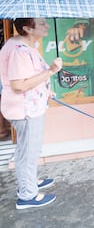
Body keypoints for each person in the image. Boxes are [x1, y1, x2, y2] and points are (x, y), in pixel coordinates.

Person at [0, 18, 63, 209]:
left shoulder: (21, 44)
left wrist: (45, 90)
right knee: (28, 152)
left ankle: (29, 183)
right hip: (26, 110)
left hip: (28, 106)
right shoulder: (19, 51)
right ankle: (28, 195)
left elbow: (29, 77)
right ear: (28, 28)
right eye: (42, 23)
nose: (47, 26)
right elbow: (19, 85)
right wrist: (51, 71)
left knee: (26, 150)